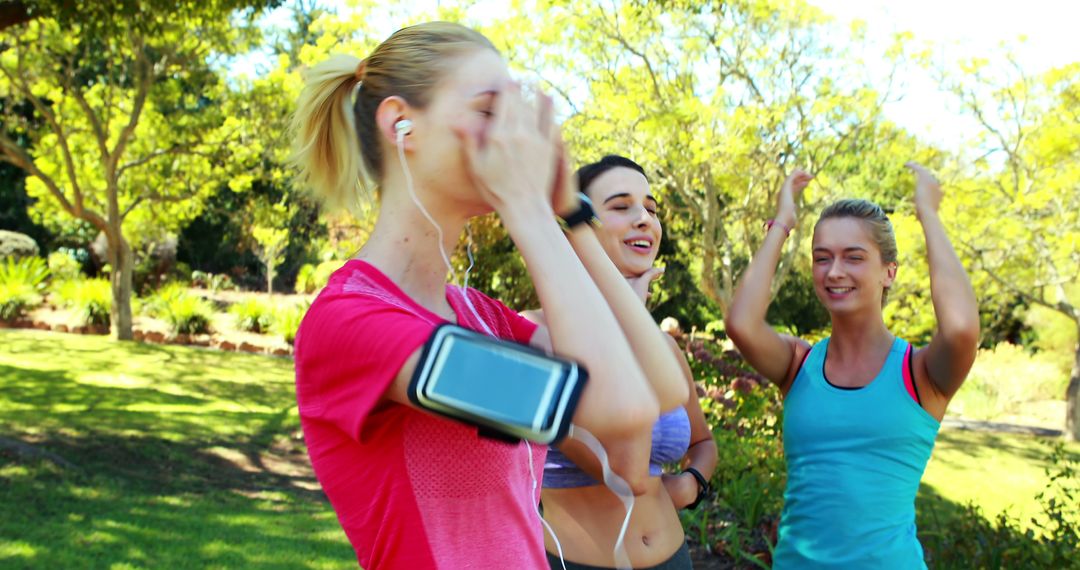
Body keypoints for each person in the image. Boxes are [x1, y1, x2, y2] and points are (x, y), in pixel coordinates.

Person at [290, 22, 687, 569]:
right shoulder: (355, 325)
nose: (514, 138)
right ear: (400, 124)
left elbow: (659, 386)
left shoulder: (479, 315)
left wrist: (570, 213)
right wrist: (526, 207)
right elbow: (619, 409)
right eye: (487, 111)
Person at [724, 163, 980, 568]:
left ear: (889, 272)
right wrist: (782, 224)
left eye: (854, 257)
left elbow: (963, 328)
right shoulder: (798, 364)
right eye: (821, 258)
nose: (834, 271)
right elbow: (740, 323)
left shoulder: (921, 374)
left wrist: (927, 213)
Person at [523, 155, 718, 570]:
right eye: (620, 205)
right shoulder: (536, 336)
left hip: (674, 559)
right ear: (578, 225)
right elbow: (620, 466)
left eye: (650, 208)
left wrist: (692, 483)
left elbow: (704, 443)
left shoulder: (663, 348)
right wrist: (629, 320)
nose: (644, 219)